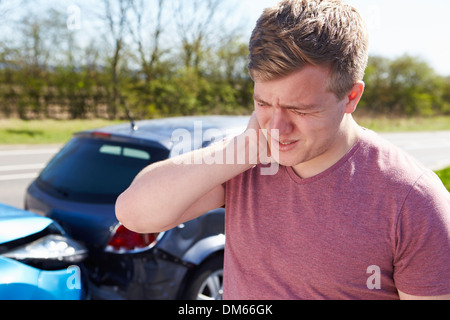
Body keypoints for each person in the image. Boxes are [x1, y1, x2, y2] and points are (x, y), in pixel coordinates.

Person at [116, 0, 450, 300]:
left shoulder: (413, 200)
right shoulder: (245, 162)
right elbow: (134, 214)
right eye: (263, 103)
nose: (276, 129)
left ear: (351, 97)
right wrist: (242, 150)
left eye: (300, 110)